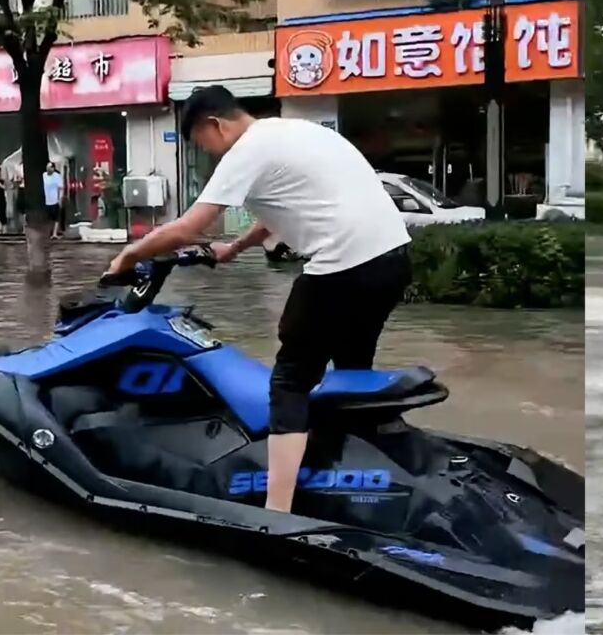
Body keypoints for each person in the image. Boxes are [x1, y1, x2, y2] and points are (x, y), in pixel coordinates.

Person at [103, 85, 412, 514]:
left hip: (343, 266)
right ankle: (357, 461)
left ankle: (276, 513)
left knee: (289, 382)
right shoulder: (292, 132)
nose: (208, 153)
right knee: (351, 363)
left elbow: (188, 227)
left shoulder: (246, 150)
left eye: (201, 143)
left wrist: (128, 255)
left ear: (214, 124)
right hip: (392, 259)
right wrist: (237, 246)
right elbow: (283, 206)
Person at [42, 161, 64, 239]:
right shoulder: (44, 175)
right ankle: (48, 233)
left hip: (54, 199)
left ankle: (54, 233)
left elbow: (60, 188)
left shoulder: (57, 176)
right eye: (47, 167)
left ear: (53, 168)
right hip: (46, 200)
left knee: (56, 218)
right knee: (47, 218)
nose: (48, 169)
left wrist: (60, 198)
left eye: (49, 167)